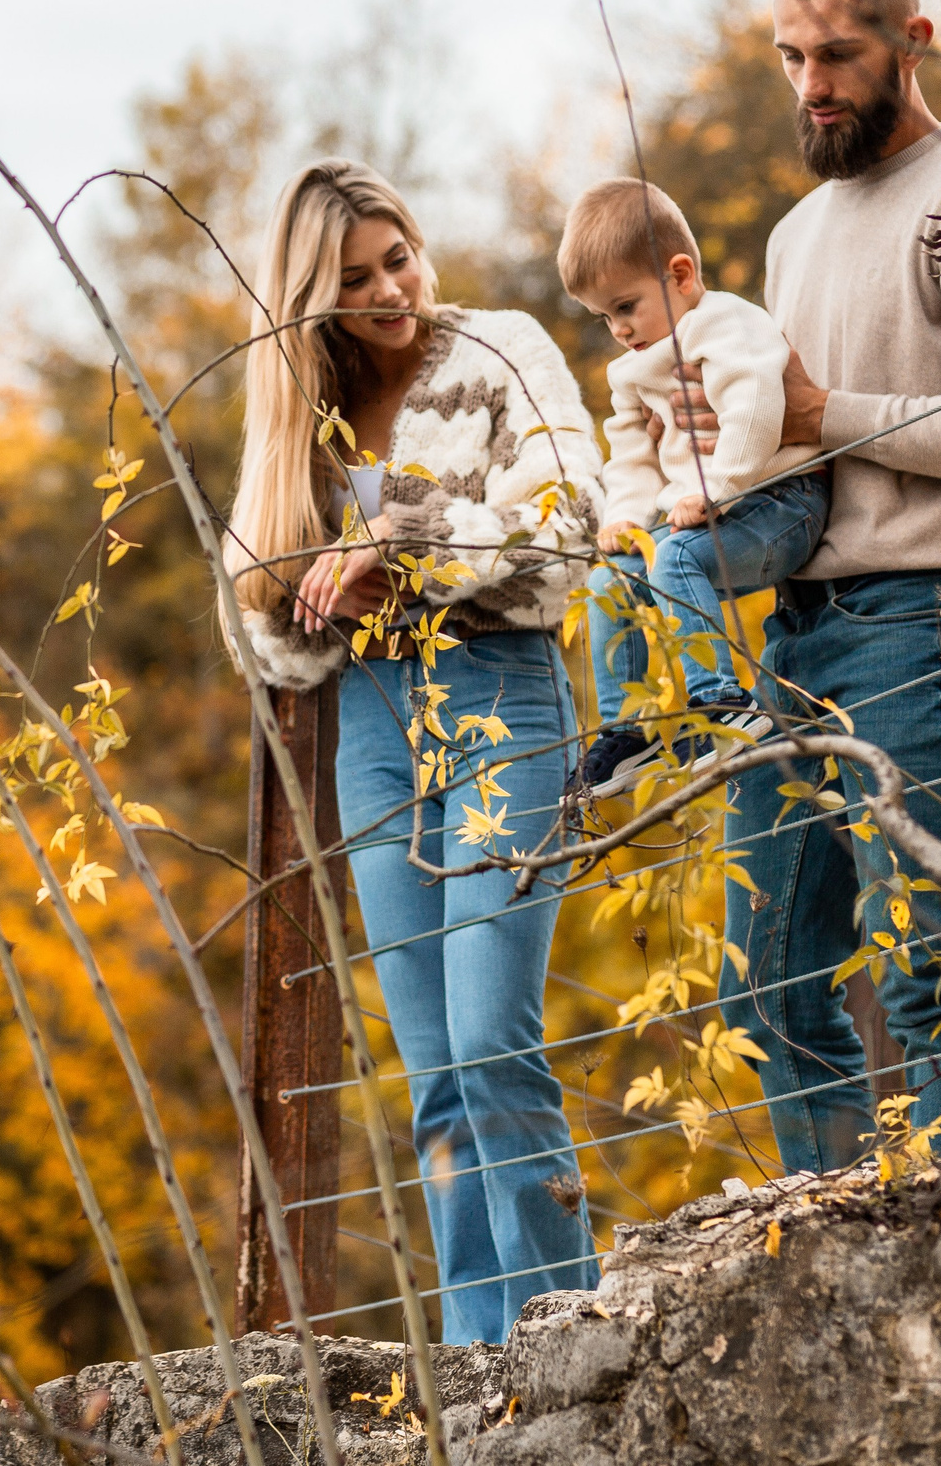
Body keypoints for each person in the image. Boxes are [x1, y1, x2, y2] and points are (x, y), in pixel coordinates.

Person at [667, 0, 941, 1172]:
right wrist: (716, 444)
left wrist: (819, 414)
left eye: (835, 54)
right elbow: (791, 429)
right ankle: (837, 1243)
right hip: (795, 633)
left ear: (913, 40)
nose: (810, 85)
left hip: (930, 622)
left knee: (922, 970)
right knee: (769, 993)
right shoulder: (792, 236)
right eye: (790, 57)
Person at [227, 160, 605, 1341]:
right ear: (308, 300)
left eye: (399, 257)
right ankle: (479, 1360)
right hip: (377, 729)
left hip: (503, 702)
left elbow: (575, 527)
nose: (394, 288)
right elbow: (261, 626)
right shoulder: (304, 416)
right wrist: (307, 598)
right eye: (355, 278)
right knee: (435, 1078)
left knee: (495, 1044)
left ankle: (561, 1344)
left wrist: (403, 545)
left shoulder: (498, 351)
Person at [558, 177, 831, 798]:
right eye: (604, 317)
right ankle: (625, 732)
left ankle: (722, 704)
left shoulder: (728, 325)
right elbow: (629, 450)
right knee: (612, 578)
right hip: (707, 514)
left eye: (626, 307)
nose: (619, 331)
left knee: (675, 556)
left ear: (680, 275)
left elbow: (756, 409)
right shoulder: (630, 366)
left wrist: (715, 488)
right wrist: (626, 515)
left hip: (781, 500)